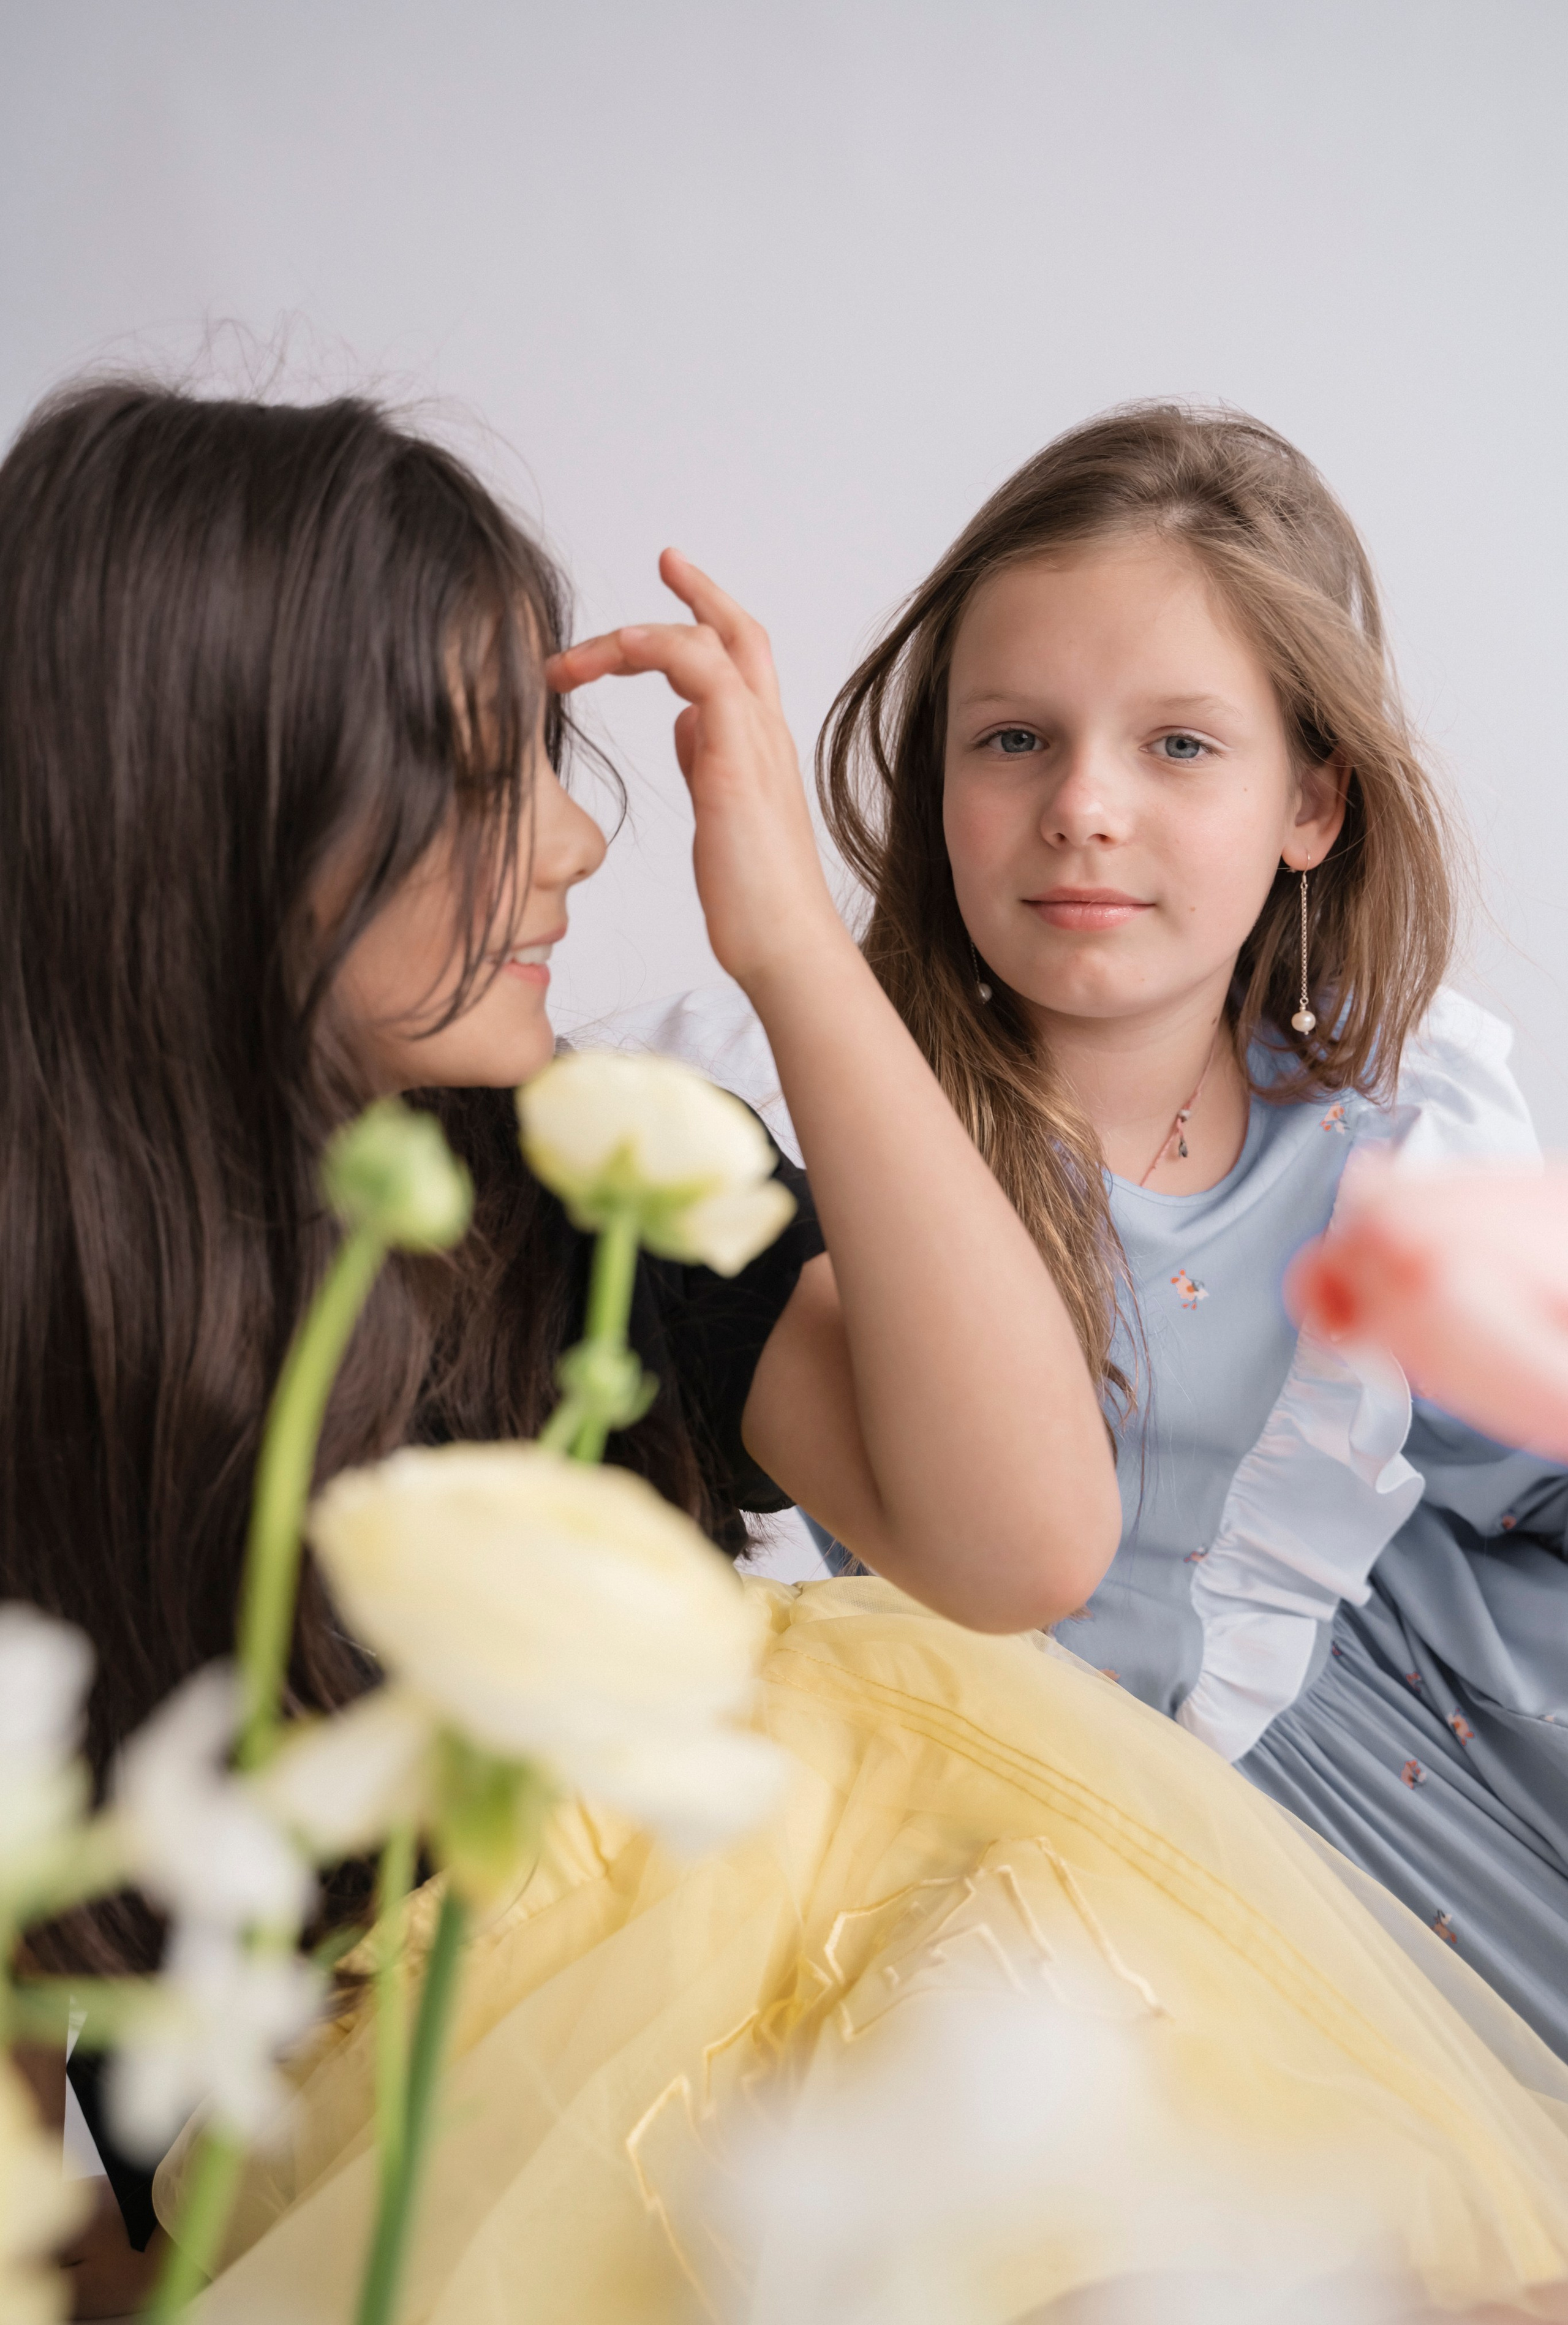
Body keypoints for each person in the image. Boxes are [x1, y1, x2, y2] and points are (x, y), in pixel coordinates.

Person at [6, 384, 1568, 2320]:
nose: (583, 839)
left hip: (816, 2040)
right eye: (488, 779)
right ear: (204, 820)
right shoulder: (39, 1361)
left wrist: (798, 960)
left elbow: (1022, 1546)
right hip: (410, 2187)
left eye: (560, 760)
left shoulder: (600, 1191)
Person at [619, 401, 1568, 2072]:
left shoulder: (1398, 1148)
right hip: (933, 1905)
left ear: (1314, 803)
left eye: (1180, 746)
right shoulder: (797, 1109)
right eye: (1014, 740)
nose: (1085, 808)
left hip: (1355, 1879)